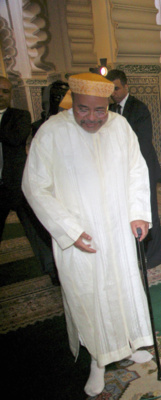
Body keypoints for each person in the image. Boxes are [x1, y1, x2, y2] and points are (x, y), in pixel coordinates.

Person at [21, 73, 156, 397]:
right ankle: (98, 359)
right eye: (84, 110)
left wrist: (138, 212)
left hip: (118, 228)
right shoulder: (51, 132)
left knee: (123, 286)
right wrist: (68, 229)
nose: (93, 118)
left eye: (100, 111)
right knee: (88, 296)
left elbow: (137, 170)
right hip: (81, 235)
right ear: (73, 102)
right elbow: (34, 186)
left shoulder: (120, 127)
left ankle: (129, 344)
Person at [0, 76, 57, 284]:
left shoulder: (20, 116)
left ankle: (54, 271)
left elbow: (15, 137)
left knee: (38, 231)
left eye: (5, 91)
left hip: (19, 185)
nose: (1, 95)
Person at [106, 69, 161, 269]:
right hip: (122, 171)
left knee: (149, 212)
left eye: (116, 88)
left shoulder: (138, 108)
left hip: (143, 167)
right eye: (110, 89)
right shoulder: (110, 110)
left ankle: (155, 257)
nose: (113, 93)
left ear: (126, 86)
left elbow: (142, 142)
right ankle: (136, 254)